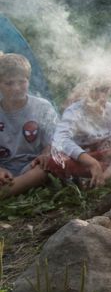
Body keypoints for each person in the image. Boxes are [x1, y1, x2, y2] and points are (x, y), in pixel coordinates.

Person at [46, 80, 111, 188]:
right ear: (86, 90)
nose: (101, 96)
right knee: (54, 163)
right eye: (96, 90)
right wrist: (92, 162)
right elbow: (60, 140)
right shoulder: (74, 112)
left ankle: (101, 178)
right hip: (83, 159)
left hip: (103, 154)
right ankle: (107, 173)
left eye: (105, 91)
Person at [0, 53, 58, 197]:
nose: (16, 88)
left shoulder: (42, 107)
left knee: (46, 168)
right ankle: (13, 189)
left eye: (22, 82)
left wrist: (45, 154)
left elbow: (54, 140)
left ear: (28, 81)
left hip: (32, 166)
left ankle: (8, 191)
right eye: (9, 83)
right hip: (4, 168)